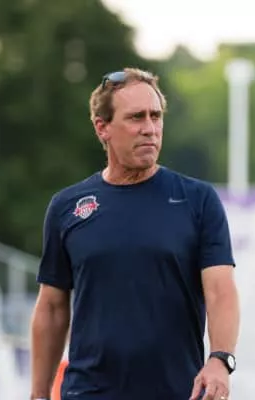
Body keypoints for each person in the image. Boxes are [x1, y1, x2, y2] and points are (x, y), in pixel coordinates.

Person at [30, 67, 240, 400]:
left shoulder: (197, 200)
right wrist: (39, 394)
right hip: (88, 392)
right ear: (103, 128)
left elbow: (220, 291)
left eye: (156, 116)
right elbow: (53, 308)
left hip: (177, 392)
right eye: (136, 117)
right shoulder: (67, 207)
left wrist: (220, 359)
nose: (149, 129)